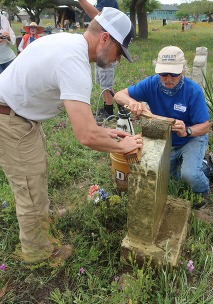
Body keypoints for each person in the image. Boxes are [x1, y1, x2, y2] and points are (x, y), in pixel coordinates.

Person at [0, 7, 142, 264]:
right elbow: (85, 136)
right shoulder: (74, 62)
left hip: (18, 113)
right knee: (29, 186)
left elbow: (85, 123)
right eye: (119, 52)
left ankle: (39, 227)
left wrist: (103, 131)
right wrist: (125, 146)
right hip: (9, 119)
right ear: (105, 38)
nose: (117, 59)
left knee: (36, 173)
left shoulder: (68, 43)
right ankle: (37, 255)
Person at [114, 46, 210, 207]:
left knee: (190, 175)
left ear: (183, 71)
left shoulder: (193, 91)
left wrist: (187, 131)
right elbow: (118, 95)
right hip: (165, 139)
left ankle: (202, 191)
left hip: (191, 139)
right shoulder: (151, 84)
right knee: (167, 177)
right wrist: (132, 102)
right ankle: (200, 165)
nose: (168, 78)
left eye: (174, 74)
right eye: (163, 74)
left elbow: (205, 126)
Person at [79, 0, 122, 122]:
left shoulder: (107, 0)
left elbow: (97, 16)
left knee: (106, 83)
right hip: (101, 47)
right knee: (103, 82)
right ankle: (107, 106)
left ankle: (109, 110)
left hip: (107, 49)